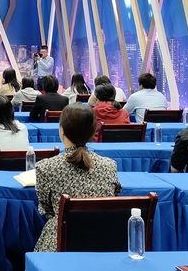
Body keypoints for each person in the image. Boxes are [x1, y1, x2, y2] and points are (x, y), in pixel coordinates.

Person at [34, 103, 122, 252]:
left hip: (59, 243)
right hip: (102, 242)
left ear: (62, 130)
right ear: (93, 131)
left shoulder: (45, 167)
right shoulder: (110, 165)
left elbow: (47, 210)